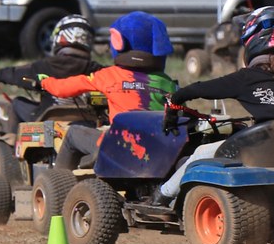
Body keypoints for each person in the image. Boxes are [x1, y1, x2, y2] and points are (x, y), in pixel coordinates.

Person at [152, 6, 274, 206]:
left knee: (200, 154)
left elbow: (198, 89)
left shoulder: (246, 78)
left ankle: (163, 196)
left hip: (265, 153)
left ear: (254, 37)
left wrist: (175, 100)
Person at [40, 11, 177, 170]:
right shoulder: (167, 83)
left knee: (72, 133)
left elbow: (62, 89)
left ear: (118, 42)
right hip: (158, 147)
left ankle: (59, 183)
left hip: (119, 145)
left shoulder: (108, 76)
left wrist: (44, 81)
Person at [0, 14, 102, 132]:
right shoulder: (98, 70)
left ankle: (15, 144)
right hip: (88, 123)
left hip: (47, 125)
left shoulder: (43, 67)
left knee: (17, 103)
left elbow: (18, 76)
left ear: (59, 38)